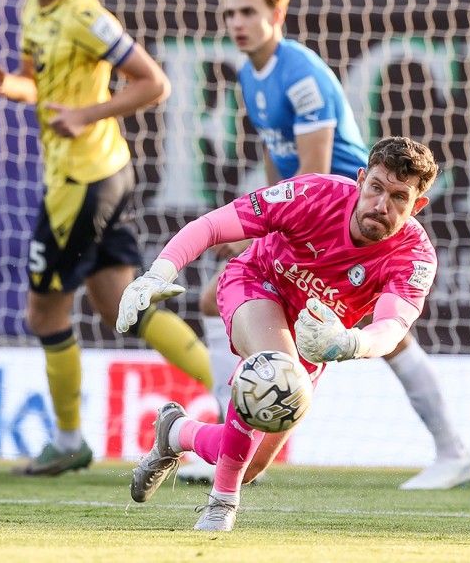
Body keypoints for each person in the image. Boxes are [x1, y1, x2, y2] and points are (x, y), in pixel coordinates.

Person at [177, 0, 470, 491]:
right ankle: (237, 429)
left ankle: (453, 451)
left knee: (389, 338)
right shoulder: (251, 72)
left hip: (347, 221)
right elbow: (278, 165)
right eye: (230, 14)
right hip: (308, 221)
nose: (237, 23)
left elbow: (312, 174)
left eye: (249, 12)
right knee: (213, 303)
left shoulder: (303, 74)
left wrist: (264, 233)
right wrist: (261, 216)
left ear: (277, 14)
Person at [0, 0, 212, 476]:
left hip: (83, 183)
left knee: (43, 313)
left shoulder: (86, 14)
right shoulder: (34, 9)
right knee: (118, 304)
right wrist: (9, 86)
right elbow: (37, 82)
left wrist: (87, 114)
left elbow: (154, 82)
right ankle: (236, 395)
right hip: (97, 174)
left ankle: (67, 440)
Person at [118, 137, 446, 531]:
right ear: (361, 180)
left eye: (399, 197)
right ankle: (222, 503)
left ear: (417, 206)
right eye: (376, 187)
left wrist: (351, 343)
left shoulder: (416, 256)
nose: (381, 205)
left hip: (311, 339)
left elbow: (392, 328)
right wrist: (160, 272)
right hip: (255, 284)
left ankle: (175, 432)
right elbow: (212, 226)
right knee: (274, 371)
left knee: (250, 463)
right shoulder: (313, 193)